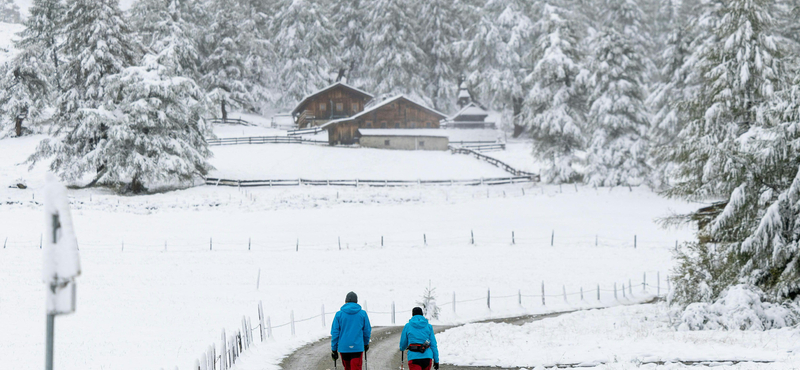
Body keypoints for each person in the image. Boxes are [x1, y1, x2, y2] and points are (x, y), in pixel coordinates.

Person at [331, 291, 372, 370]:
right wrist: (366, 343)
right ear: (356, 302)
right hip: (357, 347)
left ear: (345, 301)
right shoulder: (362, 314)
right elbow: (367, 331)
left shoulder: (339, 315)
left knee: (347, 368)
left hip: (344, 348)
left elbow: (335, 333)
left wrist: (334, 349)